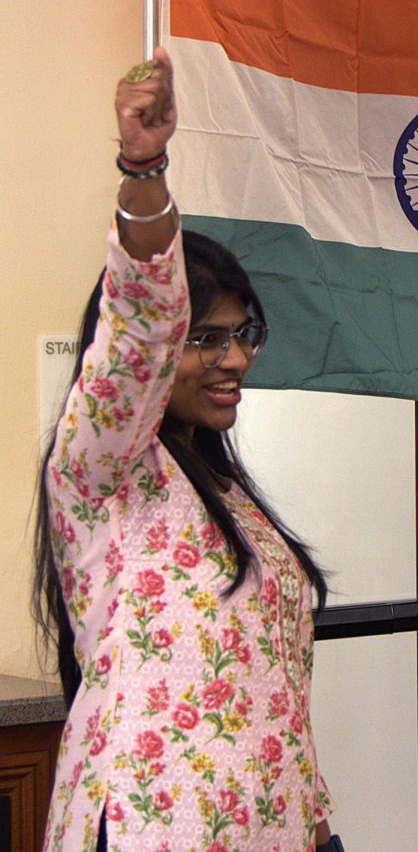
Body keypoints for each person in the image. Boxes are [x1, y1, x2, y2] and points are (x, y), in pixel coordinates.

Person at [32, 50, 346, 852]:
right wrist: (144, 169)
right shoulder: (101, 467)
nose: (235, 358)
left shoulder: (221, 484)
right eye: (206, 338)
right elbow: (140, 326)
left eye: (243, 334)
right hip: (150, 828)